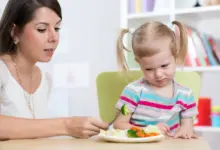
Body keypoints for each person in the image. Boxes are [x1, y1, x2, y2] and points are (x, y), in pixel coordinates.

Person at [0, 0, 108, 140]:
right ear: (14, 32)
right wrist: (66, 125)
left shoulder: (44, 79)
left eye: (56, 28)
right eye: (42, 29)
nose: (54, 38)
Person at [113, 21, 198, 139]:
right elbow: (119, 124)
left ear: (176, 55)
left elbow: (187, 128)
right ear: (139, 63)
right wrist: (147, 131)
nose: (158, 74)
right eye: (148, 69)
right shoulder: (133, 92)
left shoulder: (185, 95)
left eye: (164, 66)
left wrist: (185, 131)